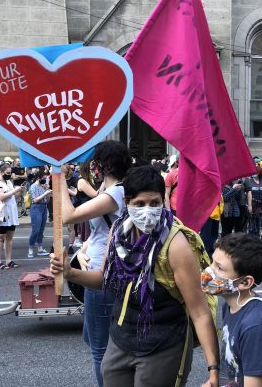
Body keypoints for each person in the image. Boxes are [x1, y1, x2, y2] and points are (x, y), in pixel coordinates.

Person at [50, 165, 220, 387]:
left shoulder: (176, 245)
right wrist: (70, 273)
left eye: (155, 203)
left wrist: (213, 369)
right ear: (127, 203)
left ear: (164, 202)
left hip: (163, 343)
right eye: (139, 204)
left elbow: (199, 312)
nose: (147, 210)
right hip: (121, 339)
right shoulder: (119, 232)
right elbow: (104, 280)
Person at [56, 140, 132, 387]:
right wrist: (81, 252)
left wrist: (59, 177)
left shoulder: (116, 193)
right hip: (96, 266)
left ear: (103, 165)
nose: (93, 166)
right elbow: (98, 233)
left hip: (104, 275)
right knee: (92, 338)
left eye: (95, 162)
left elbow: (69, 216)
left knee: (100, 349)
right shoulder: (107, 190)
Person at [203, 233, 262, 386]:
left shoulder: (255, 326)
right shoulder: (230, 306)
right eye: (212, 262)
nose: (209, 271)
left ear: (244, 282)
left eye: (219, 268)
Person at [0, 161, 24, 269]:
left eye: (10, 172)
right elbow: (1, 196)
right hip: (2, 213)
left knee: (9, 237)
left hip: (11, 213)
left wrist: (20, 192)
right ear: (1, 171)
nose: (9, 174)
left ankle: (8, 260)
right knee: (0, 237)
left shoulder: (8, 182)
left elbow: (13, 197)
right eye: (8, 172)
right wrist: (15, 190)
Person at [27, 169, 51, 258]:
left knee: (41, 229)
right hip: (36, 208)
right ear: (38, 178)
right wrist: (46, 193)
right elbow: (35, 200)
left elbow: (47, 200)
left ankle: (40, 248)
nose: (45, 180)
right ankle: (30, 249)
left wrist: (47, 191)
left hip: (44, 207)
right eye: (44, 178)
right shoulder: (33, 186)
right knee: (35, 230)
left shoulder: (43, 186)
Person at [245, 173, 262, 238]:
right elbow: (248, 192)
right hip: (252, 203)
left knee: (258, 219)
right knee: (251, 219)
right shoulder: (249, 181)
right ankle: (251, 235)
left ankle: (257, 235)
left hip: (261, 204)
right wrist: (249, 205)